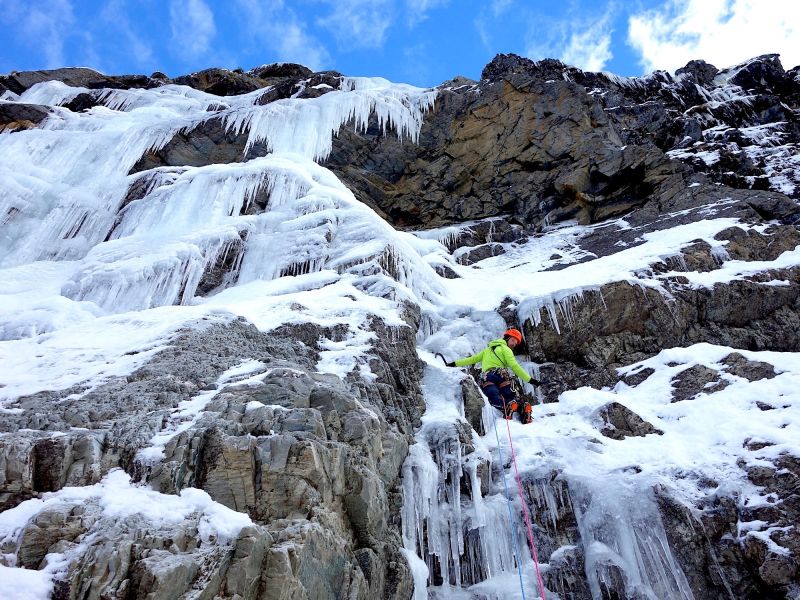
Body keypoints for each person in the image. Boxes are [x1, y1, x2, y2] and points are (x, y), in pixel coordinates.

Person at [446, 328, 542, 424]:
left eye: (516, 343)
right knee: (509, 395)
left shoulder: (487, 350)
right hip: (502, 375)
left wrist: (454, 363)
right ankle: (522, 408)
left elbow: (471, 359)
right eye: (513, 340)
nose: (514, 344)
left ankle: (507, 408)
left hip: (488, 376)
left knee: (492, 395)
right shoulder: (506, 350)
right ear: (507, 338)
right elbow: (515, 366)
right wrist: (530, 380)